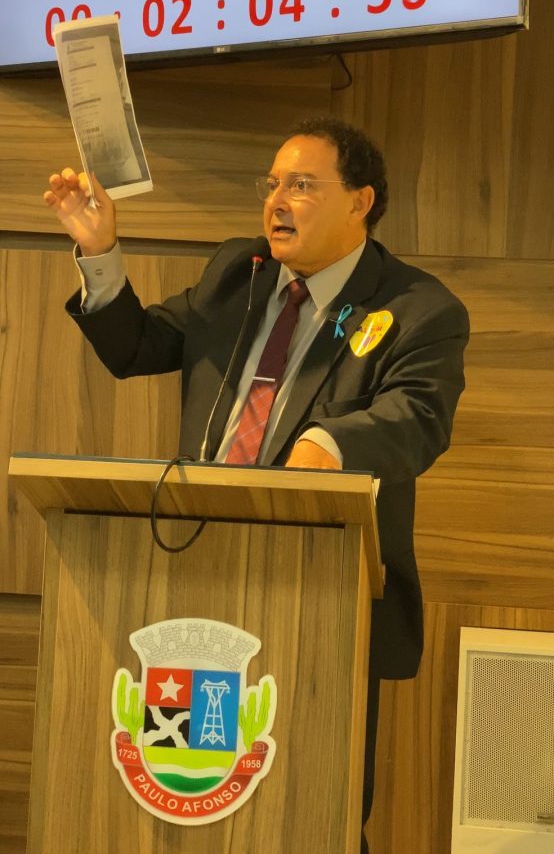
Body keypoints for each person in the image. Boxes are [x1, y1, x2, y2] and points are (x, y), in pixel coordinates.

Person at [44, 116, 469, 852]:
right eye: (272, 184)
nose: (277, 200)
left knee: (314, 807)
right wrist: (100, 251)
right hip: (191, 573)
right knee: (185, 795)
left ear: (360, 201)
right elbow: (137, 346)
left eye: (301, 185)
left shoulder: (417, 308)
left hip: (321, 592)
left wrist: (328, 442)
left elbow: (418, 417)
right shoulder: (235, 275)